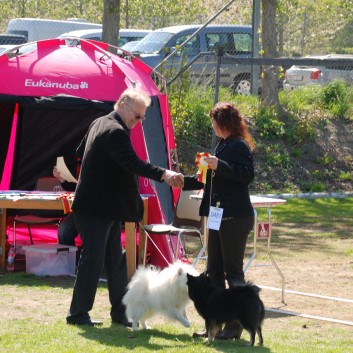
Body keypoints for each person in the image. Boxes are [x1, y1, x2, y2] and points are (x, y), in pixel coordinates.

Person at [66, 87, 184, 327]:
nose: (139, 122)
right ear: (122, 105)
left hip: (102, 207)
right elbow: (132, 163)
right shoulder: (114, 130)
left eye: (142, 117)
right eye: (137, 116)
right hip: (93, 208)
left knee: (115, 261)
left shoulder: (99, 122)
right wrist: (164, 173)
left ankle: (120, 313)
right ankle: (77, 314)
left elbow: (79, 152)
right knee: (94, 259)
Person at [184, 101, 255, 339]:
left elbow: (246, 174)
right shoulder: (223, 145)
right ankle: (212, 324)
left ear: (224, 123)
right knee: (213, 271)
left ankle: (235, 325)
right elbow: (207, 178)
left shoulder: (239, 146)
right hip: (215, 215)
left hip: (234, 217)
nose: (213, 126)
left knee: (233, 272)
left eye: (215, 121)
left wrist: (219, 165)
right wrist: (179, 179)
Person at [53, 166, 79, 247]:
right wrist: (62, 179)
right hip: (81, 208)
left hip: (100, 208)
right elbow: (76, 187)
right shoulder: (80, 161)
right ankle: (70, 259)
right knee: (64, 231)